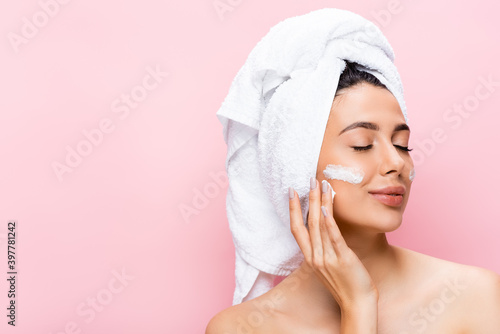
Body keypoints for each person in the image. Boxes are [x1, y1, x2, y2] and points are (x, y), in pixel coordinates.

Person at [206, 61, 500, 333]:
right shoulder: (241, 327)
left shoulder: (475, 296)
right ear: (296, 167)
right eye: (362, 145)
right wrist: (358, 306)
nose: (396, 163)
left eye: (401, 145)